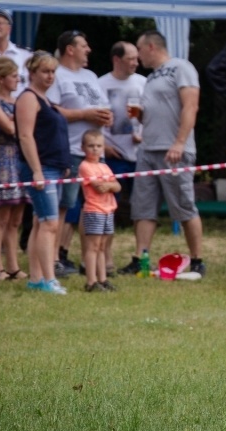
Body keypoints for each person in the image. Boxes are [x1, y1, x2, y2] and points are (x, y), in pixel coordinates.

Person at [120, 30, 206, 276]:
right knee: (143, 208)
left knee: (184, 206)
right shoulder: (151, 77)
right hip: (147, 149)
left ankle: (197, 260)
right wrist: (141, 116)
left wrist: (179, 143)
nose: (137, 57)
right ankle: (140, 259)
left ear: (150, 46)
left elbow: (191, 105)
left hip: (174, 150)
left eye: (139, 50)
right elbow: (156, 112)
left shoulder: (181, 67)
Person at [47, 30, 113, 277]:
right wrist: (84, 115)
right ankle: (54, 259)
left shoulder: (90, 76)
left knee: (95, 205)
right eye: (84, 46)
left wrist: (106, 116)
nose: (89, 50)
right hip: (71, 150)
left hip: (96, 151)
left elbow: (102, 106)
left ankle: (91, 260)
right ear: (70, 49)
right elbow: (51, 111)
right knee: (64, 206)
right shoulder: (57, 75)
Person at [15, 51, 71, 295]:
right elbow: (25, 136)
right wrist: (37, 171)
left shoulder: (46, 100)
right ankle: (49, 279)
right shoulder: (28, 98)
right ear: (32, 73)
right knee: (49, 223)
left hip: (53, 167)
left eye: (53, 72)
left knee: (41, 222)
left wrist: (63, 162)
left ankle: (37, 278)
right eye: (45, 71)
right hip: (41, 168)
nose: (50, 76)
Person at [97, 41, 146, 275]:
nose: (136, 62)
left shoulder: (144, 83)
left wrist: (143, 135)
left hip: (140, 155)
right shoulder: (100, 84)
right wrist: (103, 146)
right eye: (131, 58)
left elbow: (152, 116)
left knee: (142, 208)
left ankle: (140, 257)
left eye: (137, 58)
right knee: (108, 207)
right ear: (116, 59)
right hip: (112, 155)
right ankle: (105, 258)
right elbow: (93, 120)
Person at [0, 56, 28, 281]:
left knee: (16, 218)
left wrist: (17, 121)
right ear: (1, 79)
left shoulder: (18, 101)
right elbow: (10, 128)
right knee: (1, 216)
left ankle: (13, 266)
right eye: (13, 76)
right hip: (2, 158)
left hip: (20, 158)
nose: (18, 80)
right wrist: (19, 122)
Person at [79, 129, 120, 291]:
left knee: (103, 247)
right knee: (93, 247)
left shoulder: (105, 166)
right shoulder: (85, 166)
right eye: (91, 146)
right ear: (83, 148)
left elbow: (117, 186)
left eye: (98, 146)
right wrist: (110, 185)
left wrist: (109, 185)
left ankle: (102, 279)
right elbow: (99, 187)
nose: (95, 149)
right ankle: (91, 281)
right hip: (94, 210)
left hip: (108, 210)